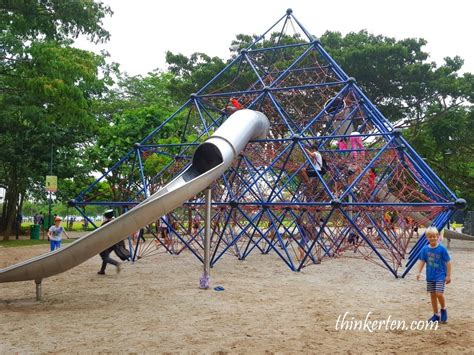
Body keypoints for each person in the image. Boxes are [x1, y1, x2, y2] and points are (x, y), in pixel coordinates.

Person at [416, 227, 452, 323]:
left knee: (439, 294)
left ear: (438, 236)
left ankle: (443, 309)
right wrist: (419, 272)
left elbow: (448, 262)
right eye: (430, 237)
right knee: (432, 295)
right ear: (427, 238)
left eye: (434, 236)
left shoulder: (442, 249)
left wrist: (448, 275)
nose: (432, 238)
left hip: (440, 275)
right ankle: (436, 314)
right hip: (430, 276)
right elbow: (422, 261)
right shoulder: (424, 249)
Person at [97, 209, 121, 275]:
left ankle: (116, 263)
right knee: (106, 256)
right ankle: (102, 271)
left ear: (106, 216)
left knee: (104, 256)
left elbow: (100, 232)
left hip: (106, 242)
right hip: (113, 242)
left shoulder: (105, 223)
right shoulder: (115, 222)